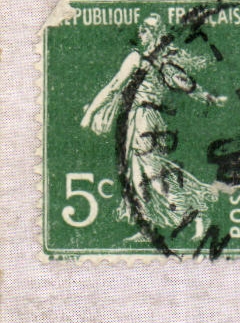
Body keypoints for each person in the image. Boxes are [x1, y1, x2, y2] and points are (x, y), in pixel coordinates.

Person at [80, 14, 230, 239]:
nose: (141, 33)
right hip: (140, 119)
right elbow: (189, 86)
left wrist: (90, 113)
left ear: (155, 34)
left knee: (152, 173)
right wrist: (209, 97)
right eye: (142, 29)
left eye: (146, 29)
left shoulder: (143, 60)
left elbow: (114, 87)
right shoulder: (159, 61)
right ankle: (147, 226)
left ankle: (196, 213)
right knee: (138, 173)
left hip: (145, 119)